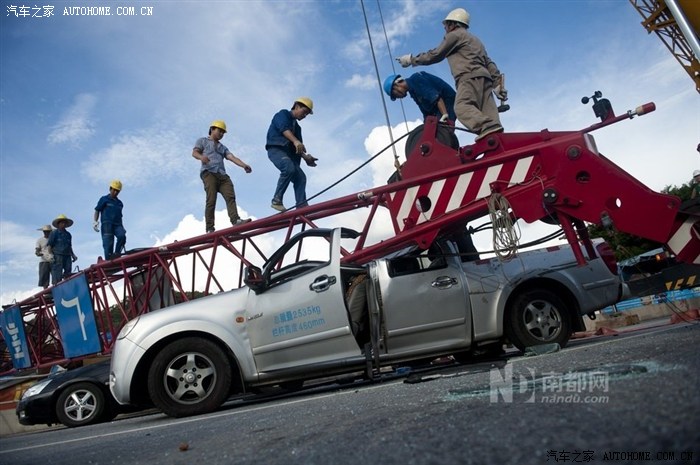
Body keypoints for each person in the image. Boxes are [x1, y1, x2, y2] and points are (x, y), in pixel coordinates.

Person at [396, 8, 507, 141]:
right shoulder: (476, 40)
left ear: (453, 24)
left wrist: (411, 60)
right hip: (486, 80)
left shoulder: (454, 36)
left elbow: (436, 54)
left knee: (462, 107)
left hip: (468, 78)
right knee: (491, 121)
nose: (445, 28)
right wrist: (497, 84)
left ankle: (486, 127)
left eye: (446, 25)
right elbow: (489, 63)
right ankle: (496, 140)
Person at [192, 120, 252, 233]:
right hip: (209, 173)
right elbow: (194, 153)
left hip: (222, 176)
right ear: (212, 129)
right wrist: (201, 157)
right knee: (211, 200)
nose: (221, 134)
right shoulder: (203, 141)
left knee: (230, 196)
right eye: (220, 131)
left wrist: (243, 165)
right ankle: (210, 228)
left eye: (223, 133)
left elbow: (232, 157)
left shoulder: (222, 147)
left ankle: (236, 220)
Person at [266, 97, 318, 211]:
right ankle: (276, 200)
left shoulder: (297, 128)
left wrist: (306, 158)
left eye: (307, 115)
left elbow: (297, 147)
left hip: (289, 155)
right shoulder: (283, 114)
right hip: (276, 150)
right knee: (288, 167)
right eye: (304, 112)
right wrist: (295, 141)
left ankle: (301, 206)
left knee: (301, 177)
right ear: (297, 106)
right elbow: (284, 129)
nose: (304, 116)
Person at [383, 72, 456, 122]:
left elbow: (436, 97)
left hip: (448, 103)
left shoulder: (416, 79)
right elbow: (426, 112)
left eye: (394, 95)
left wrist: (445, 114)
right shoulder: (413, 92)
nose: (398, 98)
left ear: (396, 85)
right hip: (438, 109)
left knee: (442, 133)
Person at [93, 180, 127, 260]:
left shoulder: (120, 203)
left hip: (117, 224)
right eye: (114, 190)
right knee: (108, 244)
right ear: (110, 189)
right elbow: (97, 210)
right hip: (107, 225)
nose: (115, 192)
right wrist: (95, 221)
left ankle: (117, 253)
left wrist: (122, 227)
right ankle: (109, 260)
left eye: (117, 191)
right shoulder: (104, 199)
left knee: (122, 236)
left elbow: (120, 216)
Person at [47, 214, 77, 285]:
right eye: (62, 222)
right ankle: (56, 289)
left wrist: (73, 255)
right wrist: (50, 255)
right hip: (58, 255)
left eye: (64, 223)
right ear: (58, 224)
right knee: (57, 275)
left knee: (68, 274)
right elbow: (49, 245)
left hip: (67, 256)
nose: (63, 224)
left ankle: (67, 287)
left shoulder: (68, 234)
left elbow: (69, 246)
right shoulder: (54, 233)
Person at [35, 224, 53, 289]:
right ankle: (46, 292)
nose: (47, 232)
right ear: (43, 232)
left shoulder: (53, 239)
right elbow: (37, 250)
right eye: (45, 231)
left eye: (48, 231)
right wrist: (38, 253)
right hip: (44, 260)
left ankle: (57, 290)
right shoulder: (40, 240)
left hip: (53, 260)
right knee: (44, 278)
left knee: (56, 277)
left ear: (51, 231)